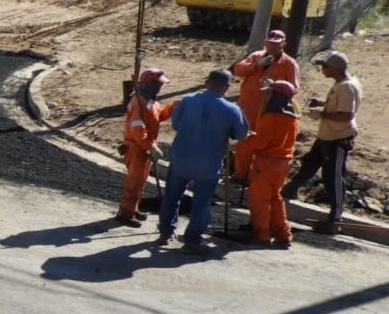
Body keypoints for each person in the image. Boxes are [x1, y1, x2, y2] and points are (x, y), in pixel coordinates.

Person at [156, 68, 249, 254]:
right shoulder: (232, 109)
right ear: (227, 87)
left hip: (181, 158)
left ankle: (166, 232)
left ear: (207, 83)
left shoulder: (188, 100)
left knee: (172, 197)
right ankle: (192, 241)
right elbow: (241, 134)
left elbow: (175, 124)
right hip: (208, 164)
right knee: (201, 202)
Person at [282, 50, 361, 235]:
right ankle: (290, 190)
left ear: (336, 68)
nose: (322, 69)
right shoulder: (341, 84)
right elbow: (340, 106)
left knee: (333, 177)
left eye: (325, 66)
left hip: (337, 137)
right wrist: (322, 103)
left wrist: (322, 114)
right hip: (327, 135)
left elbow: (347, 115)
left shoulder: (346, 87)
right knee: (309, 164)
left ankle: (336, 219)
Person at [230, 28, 299, 180]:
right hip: (248, 109)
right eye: (269, 44)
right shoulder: (256, 56)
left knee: (262, 145)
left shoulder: (289, 63)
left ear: (283, 45)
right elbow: (238, 70)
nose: (272, 47)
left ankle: (255, 176)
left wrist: (276, 85)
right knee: (243, 143)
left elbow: (293, 88)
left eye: (276, 44)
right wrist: (256, 65)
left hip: (269, 112)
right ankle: (240, 174)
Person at [241, 79, 299, 247]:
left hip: (266, 162)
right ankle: (283, 234)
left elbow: (259, 143)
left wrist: (247, 137)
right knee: (275, 197)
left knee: (259, 199)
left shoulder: (272, 118)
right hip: (283, 163)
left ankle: (262, 234)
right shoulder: (293, 119)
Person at [116, 68, 177, 227]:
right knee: (134, 182)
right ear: (150, 84)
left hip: (143, 148)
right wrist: (151, 146)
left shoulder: (150, 102)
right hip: (136, 148)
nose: (161, 87)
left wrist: (171, 108)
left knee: (141, 181)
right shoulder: (139, 104)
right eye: (158, 84)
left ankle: (132, 208)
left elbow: (157, 118)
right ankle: (125, 214)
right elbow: (138, 131)